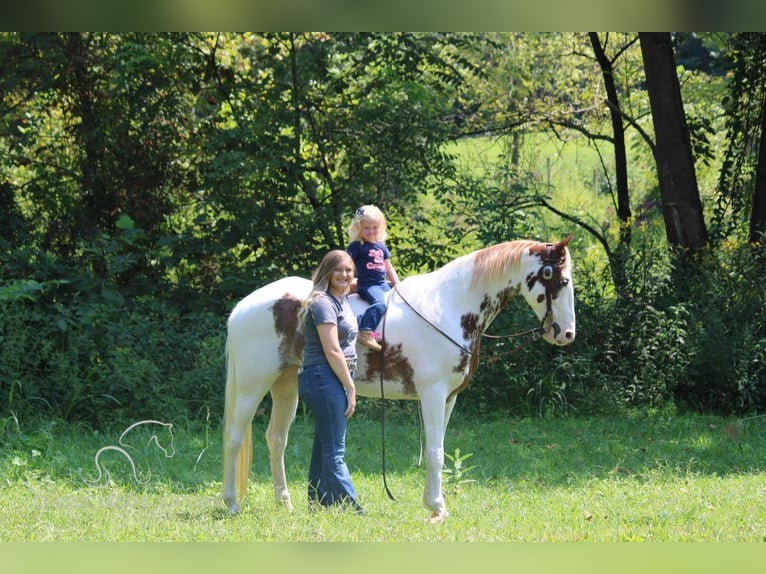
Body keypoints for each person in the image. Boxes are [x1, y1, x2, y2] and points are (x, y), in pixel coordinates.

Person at [297, 249, 364, 514]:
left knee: (323, 445)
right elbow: (333, 349)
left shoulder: (341, 299)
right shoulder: (323, 302)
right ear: (327, 271)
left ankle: (318, 502)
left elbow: (368, 282)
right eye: (339, 270)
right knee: (335, 450)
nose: (344, 275)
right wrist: (350, 387)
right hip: (322, 376)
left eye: (349, 270)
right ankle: (354, 510)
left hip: (328, 376)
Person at [346, 205, 400, 351]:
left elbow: (388, 267)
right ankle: (365, 330)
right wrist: (348, 282)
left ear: (380, 227)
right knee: (380, 304)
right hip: (368, 285)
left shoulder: (381, 246)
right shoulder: (357, 246)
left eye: (375, 227)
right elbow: (346, 264)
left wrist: (397, 284)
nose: (371, 231)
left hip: (382, 284)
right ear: (359, 228)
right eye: (367, 228)